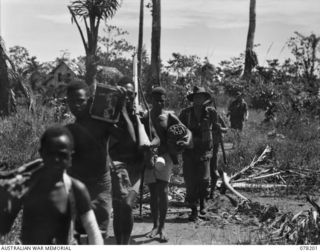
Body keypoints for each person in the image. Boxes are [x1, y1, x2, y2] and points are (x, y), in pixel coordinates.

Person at [0, 126, 103, 245]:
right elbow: (4, 227)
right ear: (41, 153)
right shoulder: (25, 186)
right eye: (50, 154)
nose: (56, 159)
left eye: (62, 155)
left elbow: (92, 230)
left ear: (70, 157)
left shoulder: (76, 190)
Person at [66, 80, 136, 239]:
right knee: (77, 234)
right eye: (71, 101)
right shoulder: (70, 129)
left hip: (101, 186)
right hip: (77, 186)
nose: (76, 105)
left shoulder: (101, 122)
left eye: (80, 101)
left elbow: (130, 141)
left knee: (99, 234)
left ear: (90, 100)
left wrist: (123, 107)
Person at [142, 87, 190, 242]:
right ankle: (155, 225)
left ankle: (162, 227)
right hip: (149, 157)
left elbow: (186, 131)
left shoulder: (169, 116)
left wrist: (186, 141)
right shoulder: (145, 116)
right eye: (156, 100)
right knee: (153, 192)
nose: (159, 103)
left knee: (162, 190)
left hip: (166, 157)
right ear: (151, 100)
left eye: (162, 100)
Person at [179, 86, 226, 221]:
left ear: (205, 99)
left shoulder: (211, 113)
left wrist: (219, 128)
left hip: (204, 152)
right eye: (196, 97)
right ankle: (193, 209)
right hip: (189, 151)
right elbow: (177, 128)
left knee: (204, 180)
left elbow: (223, 129)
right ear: (193, 99)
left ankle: (202, 203)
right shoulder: (185, 113)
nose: (199, 99)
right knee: (190, 181)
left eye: (201, 97)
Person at [108, 77, 145, 244]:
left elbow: (154, 136)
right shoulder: (109, 115)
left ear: (135, 94)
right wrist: (120, 108)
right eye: (123, 93)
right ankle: (119, 243)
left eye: (130, 94)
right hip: (117, 167)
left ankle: (125, 242)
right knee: (118, 208)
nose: (127, 97)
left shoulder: (140, 115)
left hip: (136, 168)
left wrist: (151, 143)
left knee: (128, 205)